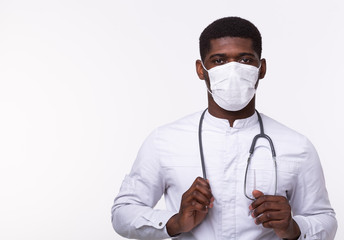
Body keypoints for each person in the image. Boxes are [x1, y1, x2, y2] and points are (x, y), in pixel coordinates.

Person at [111, 16, 337, 240]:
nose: (233, 71)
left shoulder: (297, 145)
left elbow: (324, 219)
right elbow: (123, 212)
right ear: (201, 70)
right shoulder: (164, 141)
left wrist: (294, 228)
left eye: (245, 60)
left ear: (262, 68)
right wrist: (175, 222)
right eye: (219, 61)